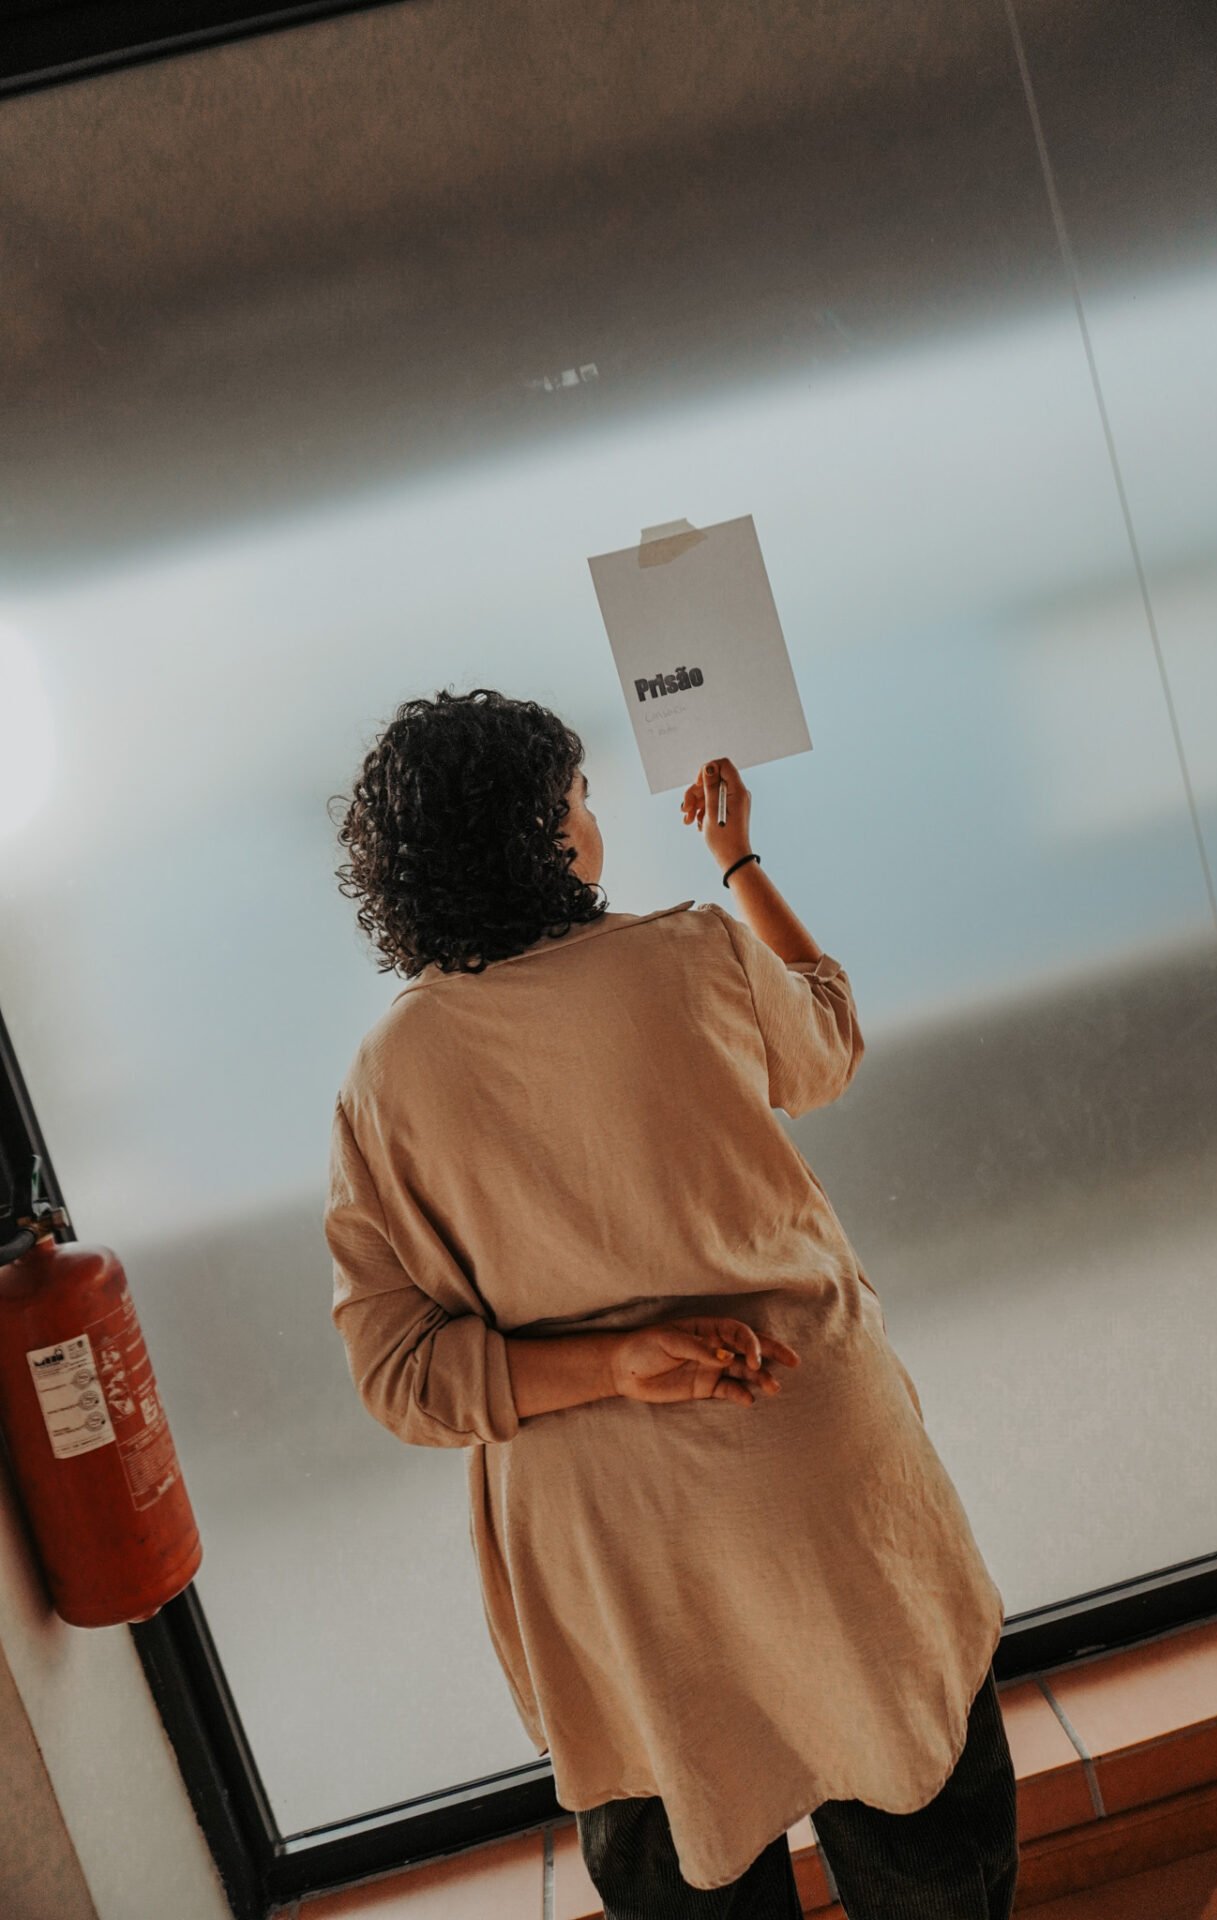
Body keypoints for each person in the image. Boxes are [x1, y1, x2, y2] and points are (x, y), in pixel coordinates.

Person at [324, 687, 1019, 1918]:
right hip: (805, 1460)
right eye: (578, 798)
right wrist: (737, 858)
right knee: (915, 1804)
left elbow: (400, 1375)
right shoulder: (691, 951)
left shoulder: (387, 1078)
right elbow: (828, 1037)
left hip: (610, 1549)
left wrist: (612, 1364)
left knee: (680, 1843)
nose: (590, 819)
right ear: (543, 833)